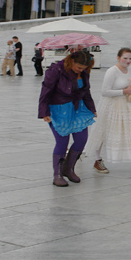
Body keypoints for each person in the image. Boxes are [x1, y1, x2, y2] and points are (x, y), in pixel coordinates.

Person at [87, 48, 131, 176]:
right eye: (125, 58)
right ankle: (97, 159)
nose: (128, 61)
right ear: (118, 58)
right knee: (102, 132)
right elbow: (104, 92)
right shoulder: (112, 71)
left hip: (127, 104)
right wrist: (123, 91)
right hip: (111, 105)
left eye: (130, 58)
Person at [39, 51, 97, 187]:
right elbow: (46, 90)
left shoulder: (84, 72)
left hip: (78, 108)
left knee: (81, 140)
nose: (81, 70)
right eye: (78, 67)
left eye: (83, 68)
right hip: (60, 109)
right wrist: (44, 111)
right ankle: (57, 174)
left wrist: (91, 108)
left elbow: (86, 91)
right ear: (71, 61)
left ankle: (68, 168)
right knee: (62, 142)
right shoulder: (56, 70)